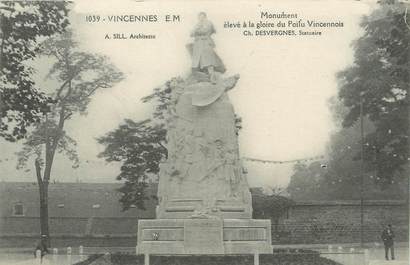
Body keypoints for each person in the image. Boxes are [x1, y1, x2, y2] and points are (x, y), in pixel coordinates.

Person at [189, 12, 225, 83]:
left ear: (205, 17)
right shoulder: (198, 24)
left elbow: (204, 31)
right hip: (198, 45)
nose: (200, 18)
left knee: (208, 61)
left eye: (202, 17)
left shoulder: (208, 23)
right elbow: (191, 34)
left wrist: (196, 30)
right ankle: (200, 78)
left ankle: (212, 78)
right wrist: (196, 30)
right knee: (196, 62)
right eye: (199, 17)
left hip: (206, 43)